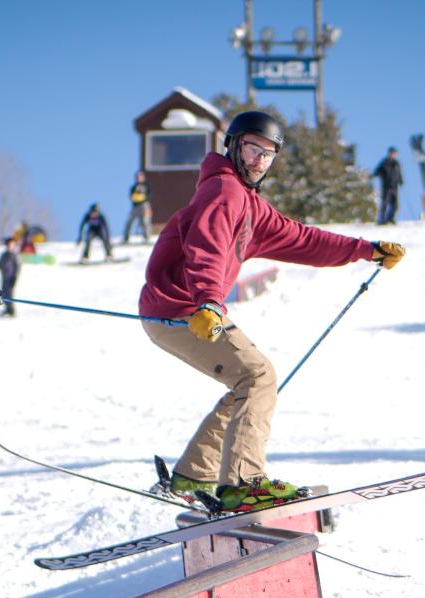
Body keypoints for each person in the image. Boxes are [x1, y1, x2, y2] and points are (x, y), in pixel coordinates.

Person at [138, 110, 406, 513]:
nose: (258, 160)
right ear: (232, 146)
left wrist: (364, 250)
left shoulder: (250, 206)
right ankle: (244, 484)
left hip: (190, 309)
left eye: (268, 154)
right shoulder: (223, 192)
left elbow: (304, 239)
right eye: (251, 148)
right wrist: (209, 300)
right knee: (258, 376)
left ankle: (195, 473)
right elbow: (206, 248)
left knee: (249, 382)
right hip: (184, 309)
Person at [0, 236, 22, 316]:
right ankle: (7, 309)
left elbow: (17, 267)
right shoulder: (3, 255)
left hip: (10, 278)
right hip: (4, 278)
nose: (10, 246)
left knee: (9, 294)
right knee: (3, 294)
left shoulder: (14, 255)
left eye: (11, 245)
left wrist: (14, 277)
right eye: (8, 244)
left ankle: (11, 310)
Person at [373, 146, 404, 225]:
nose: (393, 155)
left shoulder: (396, 163)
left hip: (394, 186)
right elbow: (376, 172)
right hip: (386, 187)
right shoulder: (384, 162)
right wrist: (380, 175)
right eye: (392, 153)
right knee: (385, 204)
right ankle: (382, 219)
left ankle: (390, 218)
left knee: (395, 205)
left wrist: (400, 181)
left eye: (394, 153)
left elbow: (399, 173)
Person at [122, 171, 152, 243]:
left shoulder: (146, 186)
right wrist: (136, 198)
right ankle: (126, 237)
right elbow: (131, 196)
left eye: (141, 176)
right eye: (138, 177)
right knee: (130, 220)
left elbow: (149, 195)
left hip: (144, 205)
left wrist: (143, 198)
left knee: (145, 221)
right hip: (135, 206)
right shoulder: (133, 187)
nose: (139, 178)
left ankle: (146, 237)